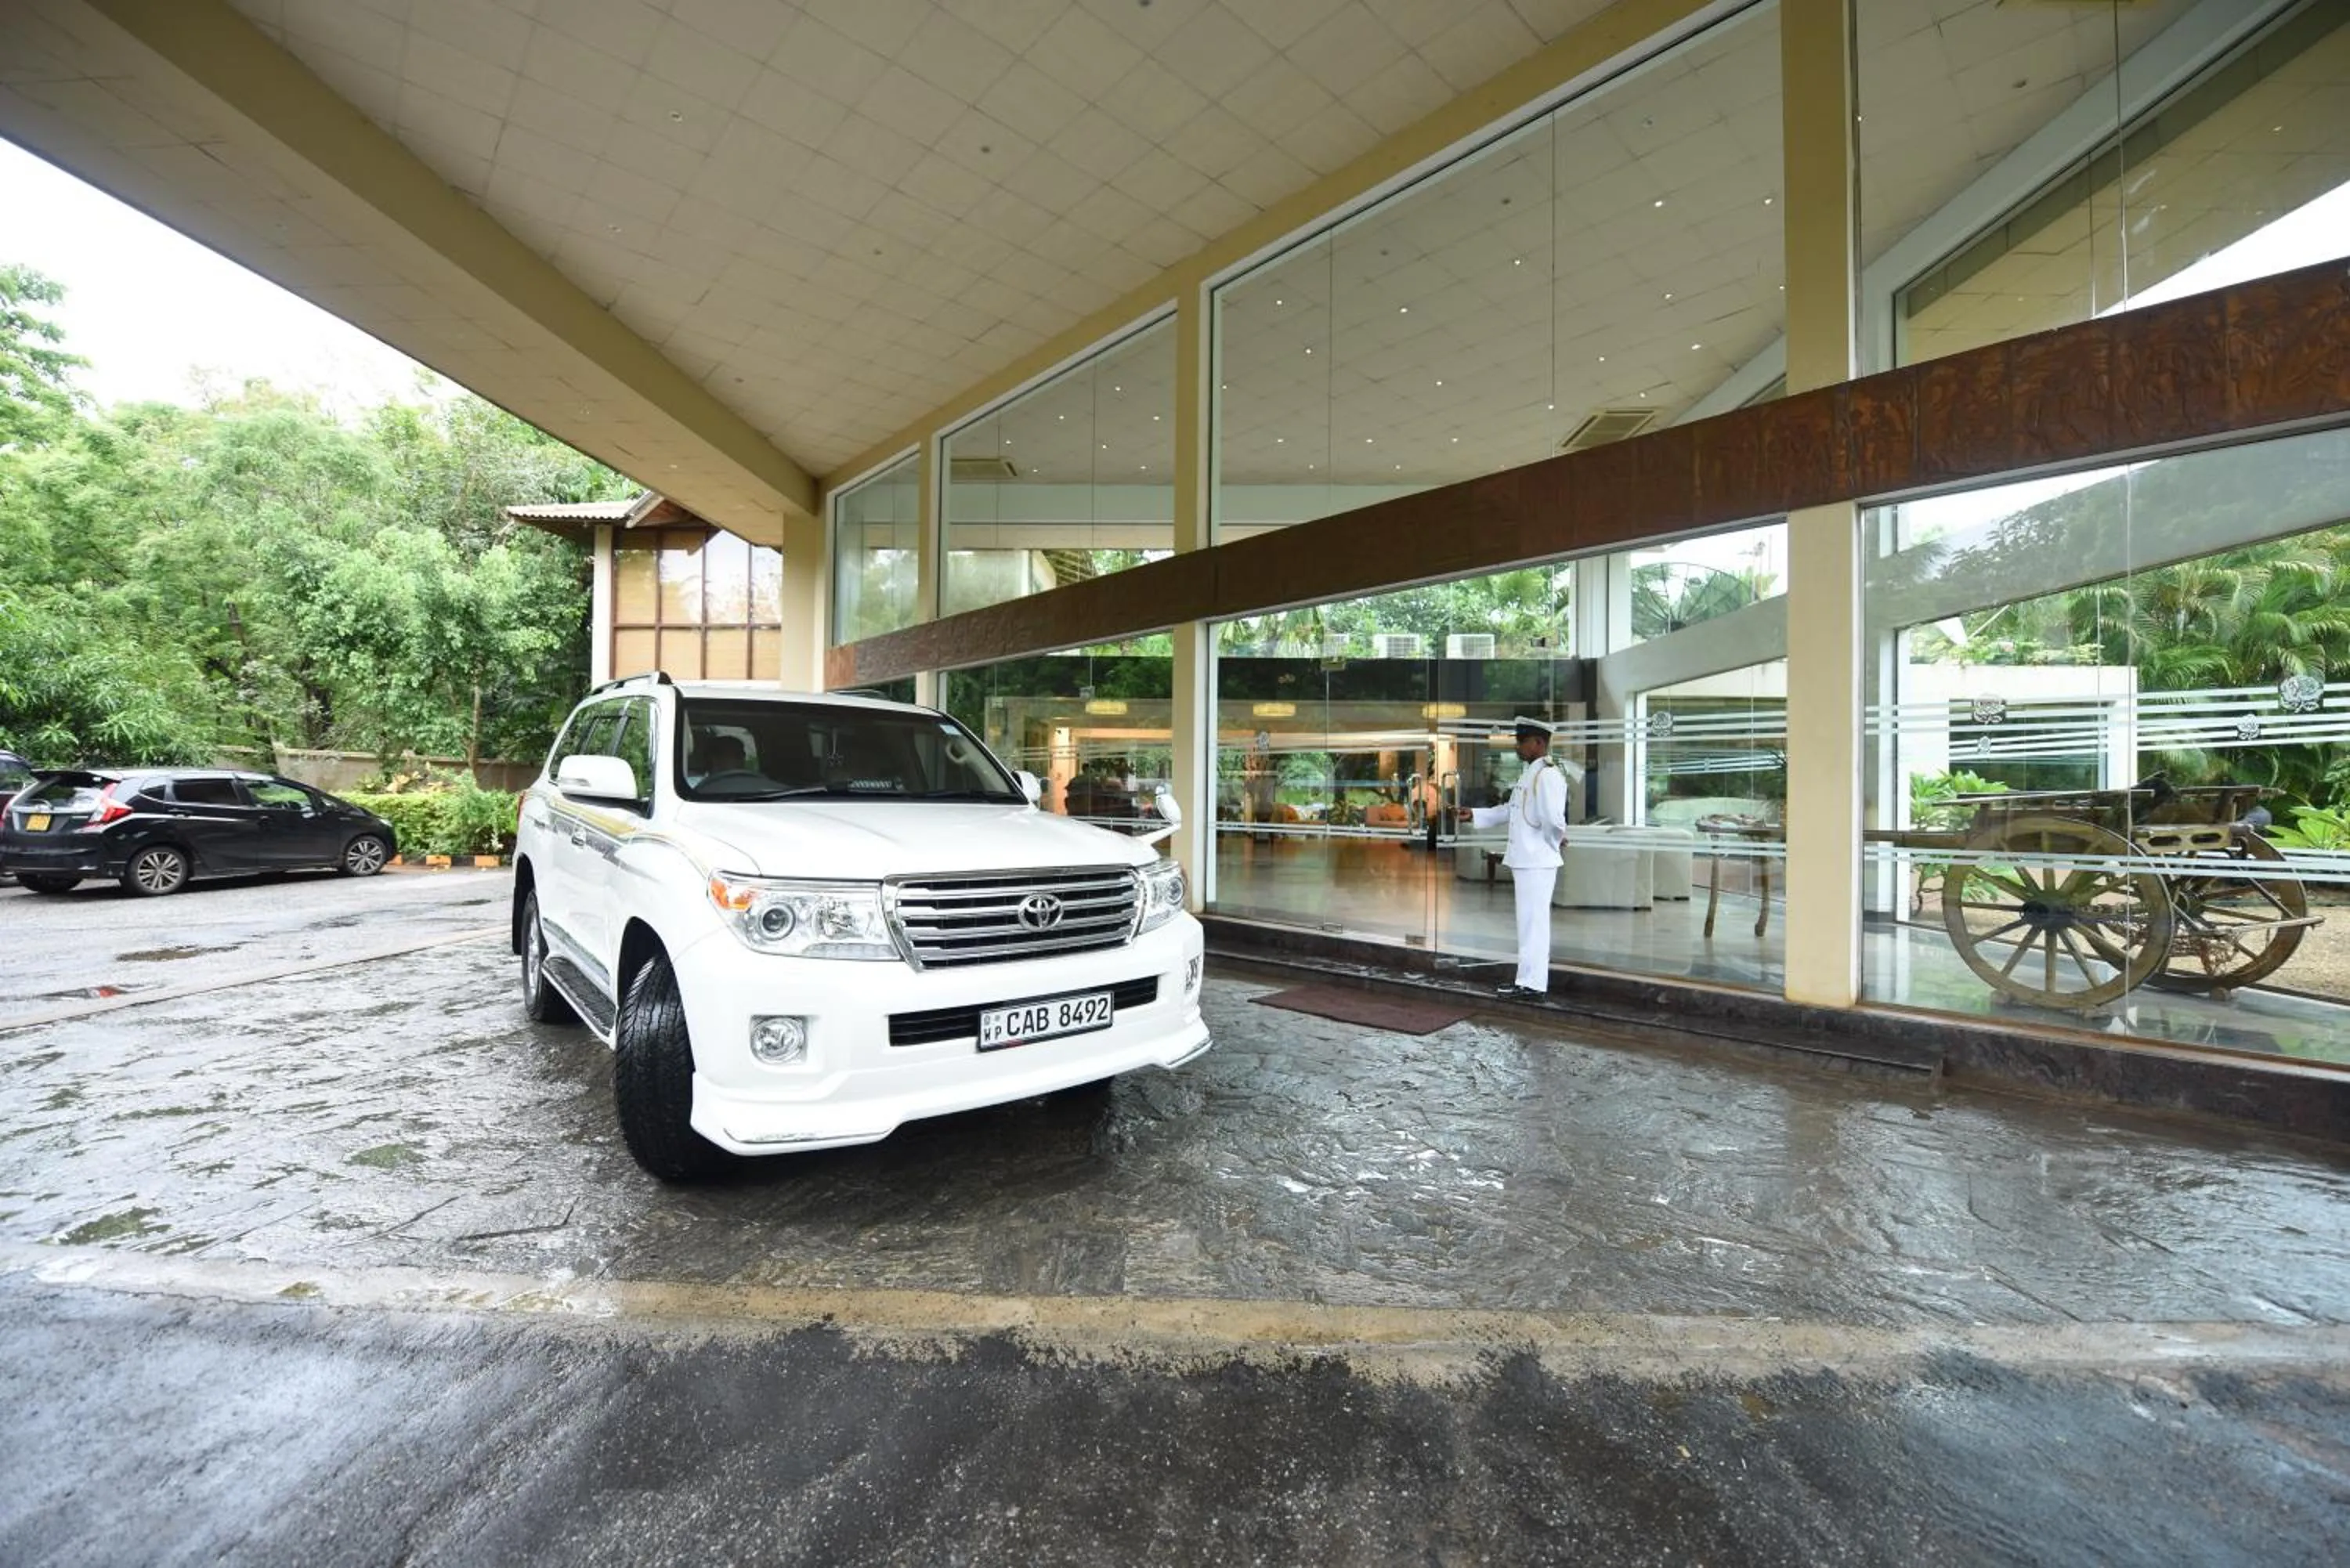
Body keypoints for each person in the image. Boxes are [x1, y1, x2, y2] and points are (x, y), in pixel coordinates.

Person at [1470, 718, 1567, 999]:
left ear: (1538, 743)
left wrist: (1553, 843)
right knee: (1528, 922)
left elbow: (1553, 819)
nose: (1517, 746)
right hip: (1528, 859)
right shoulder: (1531, 774)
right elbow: (1511, 810)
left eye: (1522, 741)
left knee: (1534, 924)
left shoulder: (1547, 775)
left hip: (1537, 860)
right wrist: (1476, 815)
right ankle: (1527, 981)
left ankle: (1533, 984)